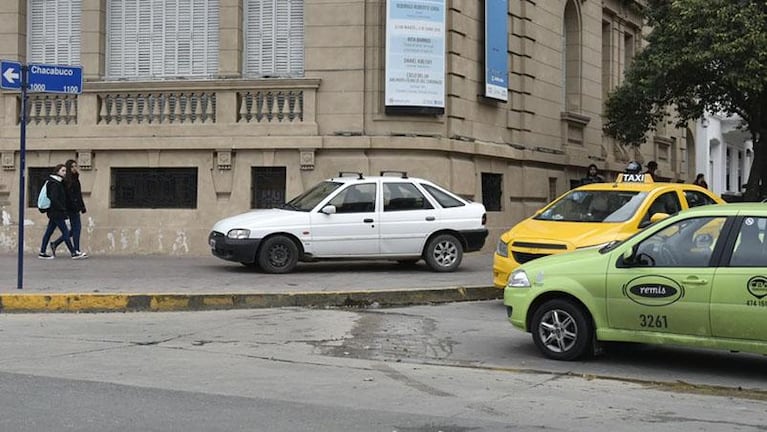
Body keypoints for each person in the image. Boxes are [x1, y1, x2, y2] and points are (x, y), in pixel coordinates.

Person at [39, 164, 86, 259]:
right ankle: (73, 253)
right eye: (62, 171)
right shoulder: (54, 183)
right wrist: (62, 209)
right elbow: (54, 198)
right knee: (65, 232)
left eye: (65, 171)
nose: (64, 173)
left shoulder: (58, 182)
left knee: (49, 231)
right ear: (57, 172)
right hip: (56, 212)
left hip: (55, 212)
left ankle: (42, 252)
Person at [51, 159, 88, 258]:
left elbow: (78, 194)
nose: (75, 168)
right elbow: (67, 196)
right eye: (72, 166)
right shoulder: (66, 180)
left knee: (73, 230)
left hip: (75, 207)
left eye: (76, 166)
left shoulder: (76, 178)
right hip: (70, 208)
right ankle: (76, 250)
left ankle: (55, 244)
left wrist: (82, 206)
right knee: (77, 229)